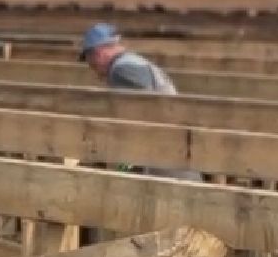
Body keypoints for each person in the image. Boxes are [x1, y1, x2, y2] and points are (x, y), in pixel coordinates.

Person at [78, 23, 200, 180]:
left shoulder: (123, 70)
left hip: (164, 153)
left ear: (98, 54)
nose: (91, 67)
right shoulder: (132, 62)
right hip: (172, 147)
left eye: (89, 60)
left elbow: (138, 117)